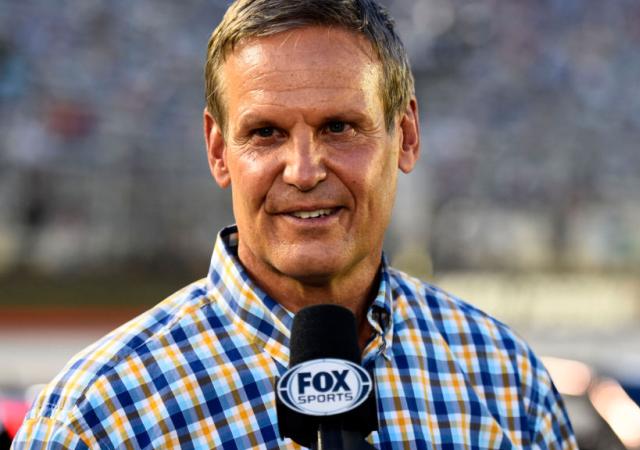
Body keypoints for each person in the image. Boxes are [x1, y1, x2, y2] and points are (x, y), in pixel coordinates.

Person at [13, 1, 577, 448]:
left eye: (339, 126)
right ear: (217, 151)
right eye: (266, 134)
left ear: (405, 135)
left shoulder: (506, 379)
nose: (304, 172)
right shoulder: (99, 415)